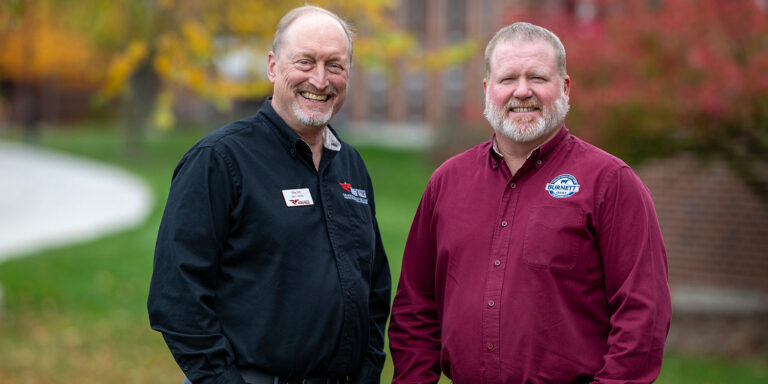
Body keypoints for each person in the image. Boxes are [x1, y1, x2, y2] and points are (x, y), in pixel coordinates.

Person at [388, 22, 671, 383]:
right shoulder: (447, 182)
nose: (522, 91)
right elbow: (415, 309)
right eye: (508, 79)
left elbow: (642, 313)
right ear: (487, 89)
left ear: (564, 87)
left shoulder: (611, 183)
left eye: (537, 77)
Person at [147, 6, 391, 384]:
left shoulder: (351, 165)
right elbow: (176, 294)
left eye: (335, 65)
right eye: (305, 62)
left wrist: (368, 369)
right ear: (273, 67)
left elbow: (373, 285)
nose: (320, 80)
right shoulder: (219, 160)